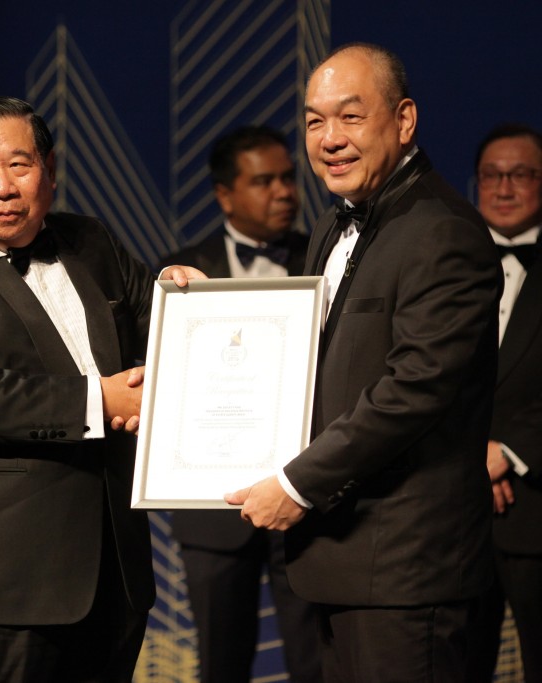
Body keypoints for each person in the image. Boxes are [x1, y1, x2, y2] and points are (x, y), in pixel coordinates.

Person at [0, 96, 187, 682]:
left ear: (50, 169)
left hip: (113, 571)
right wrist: (99, 401)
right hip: (1, 579)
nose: (2, 187)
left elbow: (161, 331)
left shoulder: (90, 240)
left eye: (19, 166)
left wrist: (191, 300)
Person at [223, 43, 501, 681]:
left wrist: (296, 485)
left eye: (350, 117)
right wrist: (210, 315)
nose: (329, 139)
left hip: (406, 571)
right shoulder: (329, 226)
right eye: (315, 121)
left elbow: (414, 388)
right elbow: (304, 353)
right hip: (338, 562)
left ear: (403, 121)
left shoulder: (443, 232)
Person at [159, 125, 321, 683]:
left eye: (287, 178)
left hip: (306, 494)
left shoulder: (324, 259)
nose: (283, 192)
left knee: (316, 662)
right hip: (212, 510)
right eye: (263, 181)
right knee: (220, 665)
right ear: (225, 194)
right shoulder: (178, 272)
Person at [465, 123, 542, 683]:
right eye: (492, 175)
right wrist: (470, 452)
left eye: (521, 175)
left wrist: (509, 450)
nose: (505, 187)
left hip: (534, 510)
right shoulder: (447, 262)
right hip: (452, 516)